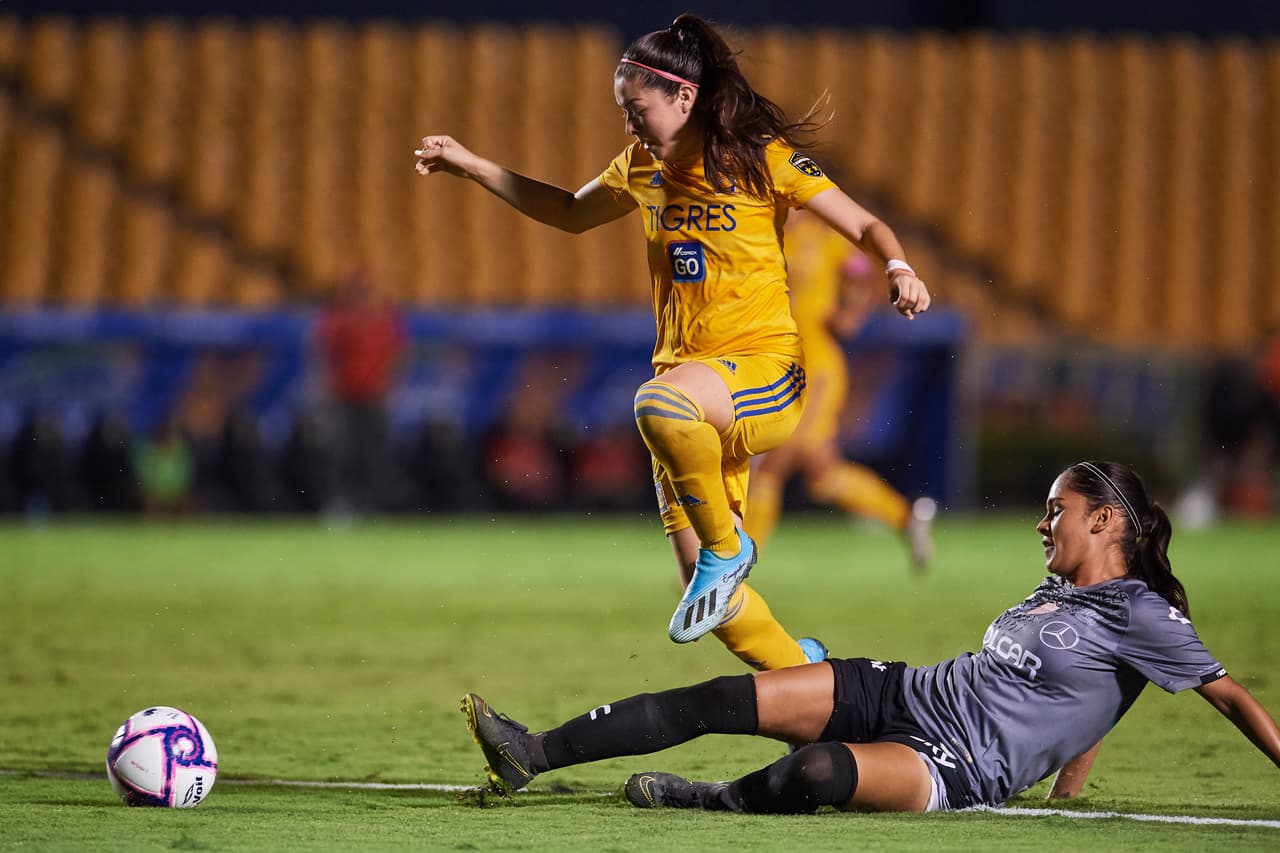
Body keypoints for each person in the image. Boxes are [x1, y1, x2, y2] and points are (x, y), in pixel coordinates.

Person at [415, 14, 930, 671]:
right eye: (623, 112)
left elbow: (864, 224)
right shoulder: (640, 166)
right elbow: (571, 212)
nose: (628, 125)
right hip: (694, 395)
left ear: (684, 98)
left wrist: (898, 268)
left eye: (637, 110)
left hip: (762, 372)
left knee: (658, 406)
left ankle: (727, 545)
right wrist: (471, 166)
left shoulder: (758, 157)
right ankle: (818, 685)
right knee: (714, 607)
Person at [461, 460, 1280, 812]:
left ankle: (711, 799)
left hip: (955, 763)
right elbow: (1090, 702)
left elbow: (1230, 695)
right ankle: (531, 751)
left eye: (1056, 509)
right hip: (906, 689)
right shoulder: (1057, 591)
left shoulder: (1143, 613)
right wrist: (1070, 789)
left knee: (814, 772)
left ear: (1105, 520)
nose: (1042, 521)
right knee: (720, 697)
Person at [743, 208, 936, 571]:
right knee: (823, 476)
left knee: (771, 467)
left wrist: (851, 315)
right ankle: (906, 517)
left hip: (816, 369)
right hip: (781, 363)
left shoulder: (825, 241)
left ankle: (737, 565)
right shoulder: (762, 233)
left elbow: (861, 276)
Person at [313, 268, 407, 516]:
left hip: (374, 395)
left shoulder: (384, 319)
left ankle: (372, 503)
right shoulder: (339, 319)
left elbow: (396, 354)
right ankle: (341, 502)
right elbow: (325, 355)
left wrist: (390, 384)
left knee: (374, 452)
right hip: (346, 396)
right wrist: (327, 386)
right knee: (343, 450)